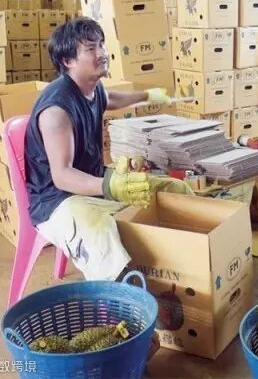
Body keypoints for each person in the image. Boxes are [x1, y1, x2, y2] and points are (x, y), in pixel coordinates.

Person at [25, 17, 192, 281]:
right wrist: (110, 185)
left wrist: (147, 96)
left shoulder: (92, 87)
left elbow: (109, 98)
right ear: (68, 61)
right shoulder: (56, 110)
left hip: (93, 181)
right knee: (99, 232)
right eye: (91, 48)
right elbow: (62, 176)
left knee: (173, 190)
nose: (102, 53)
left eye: (101, 44)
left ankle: (191, 262)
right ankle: (120, 296)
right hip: (57, 200)